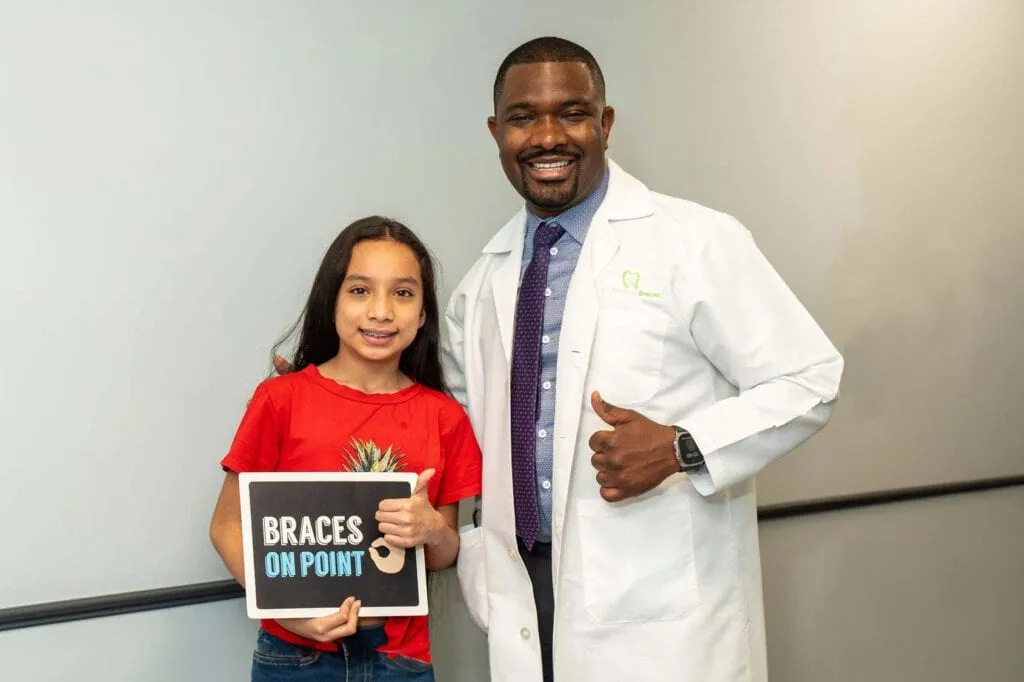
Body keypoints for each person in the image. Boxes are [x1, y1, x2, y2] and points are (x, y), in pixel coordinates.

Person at [443, 37, 844, 682]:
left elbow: (810, 377)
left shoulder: (694, 243)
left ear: (605, 124)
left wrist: (683, 446)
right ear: (497, 133)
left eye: (572, 113)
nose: (548, 137)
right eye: (523, 118)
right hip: (526, 592)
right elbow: (462, 436)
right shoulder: (480, 285)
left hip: (661, 610)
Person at [209, 216, 483, 682]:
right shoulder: (280, 400)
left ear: (422, 314)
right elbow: (226, 526)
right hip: (295, 656)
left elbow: (442, 554)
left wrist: (432, 530)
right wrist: (286, 611)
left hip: (400, 659)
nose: (381, 311)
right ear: (331, 301)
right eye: (359, 290)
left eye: (403, 293)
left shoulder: (444, 417)